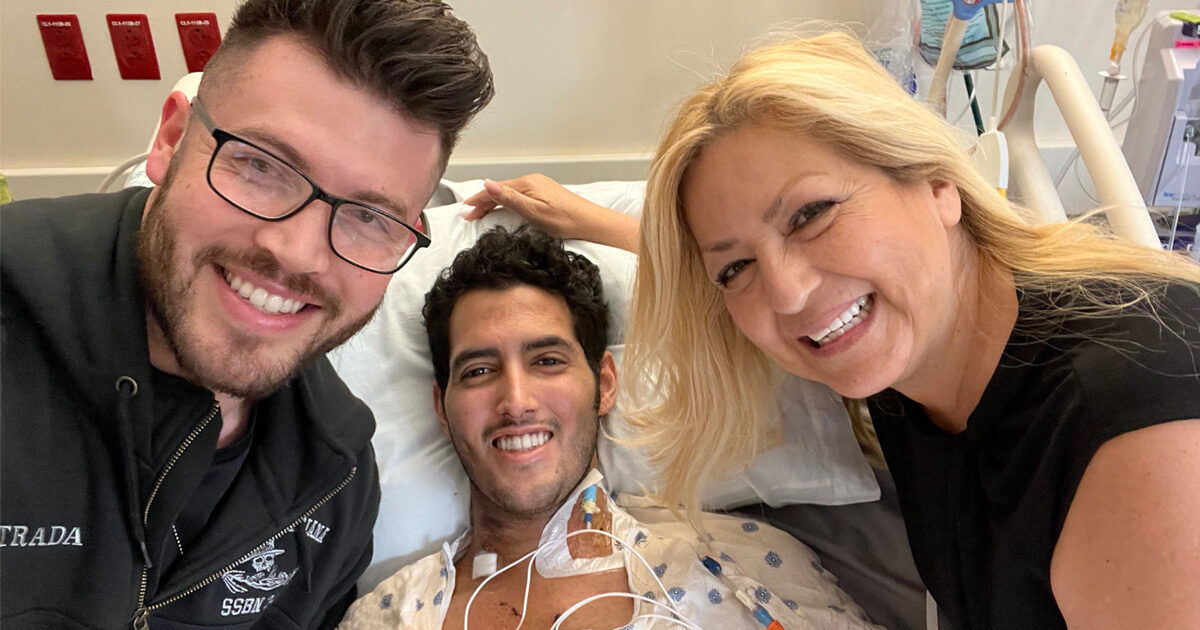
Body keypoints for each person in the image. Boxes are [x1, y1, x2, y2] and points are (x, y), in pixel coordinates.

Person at [463, 33, 1200, 629]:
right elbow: (709, 280)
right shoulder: (913, 360)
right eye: (736, 268)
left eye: (812, 214)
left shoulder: (1138, 418)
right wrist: (591, 221)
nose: (787, 294)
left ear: (937, 182)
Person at [0, 0, 492, 627]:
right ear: (172, 139)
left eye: (371, 217)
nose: (298, 252)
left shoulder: (336, 475)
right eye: (261, 165)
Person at [338, 226, 878, 629]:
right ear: (442, 407)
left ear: (606, 384)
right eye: (478, 371)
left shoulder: (742, 566)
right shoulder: (389, 614)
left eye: (548, 361)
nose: (516, 401)